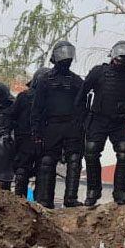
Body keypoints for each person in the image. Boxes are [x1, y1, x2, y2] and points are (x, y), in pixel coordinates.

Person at [78, 41, 125, 205]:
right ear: (113, 56)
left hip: (120, 122)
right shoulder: (98, 72)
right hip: (98, 119)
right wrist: (81, 116)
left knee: (124, 152)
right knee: (91, 151)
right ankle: (93, 190)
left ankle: (120, 191)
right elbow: (82, 93)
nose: (121, 61)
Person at [32, 41, 85, 208]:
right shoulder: (45, 80)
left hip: (72, 126)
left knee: (74, 160)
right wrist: (36, 131)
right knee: (47, 161)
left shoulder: (76, 81)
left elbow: (83, 106)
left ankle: (70, 198)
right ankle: (45, 200)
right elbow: (37, 107)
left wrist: (81, 126)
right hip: (51, 125)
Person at [8, 68, 48, 199]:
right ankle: (41, 202)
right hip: (42, 141)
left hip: (25, 140)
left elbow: (11, 116)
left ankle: (19, 200)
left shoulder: (23, 96)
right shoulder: (51, 99)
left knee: (23, 169)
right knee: (43, 170)